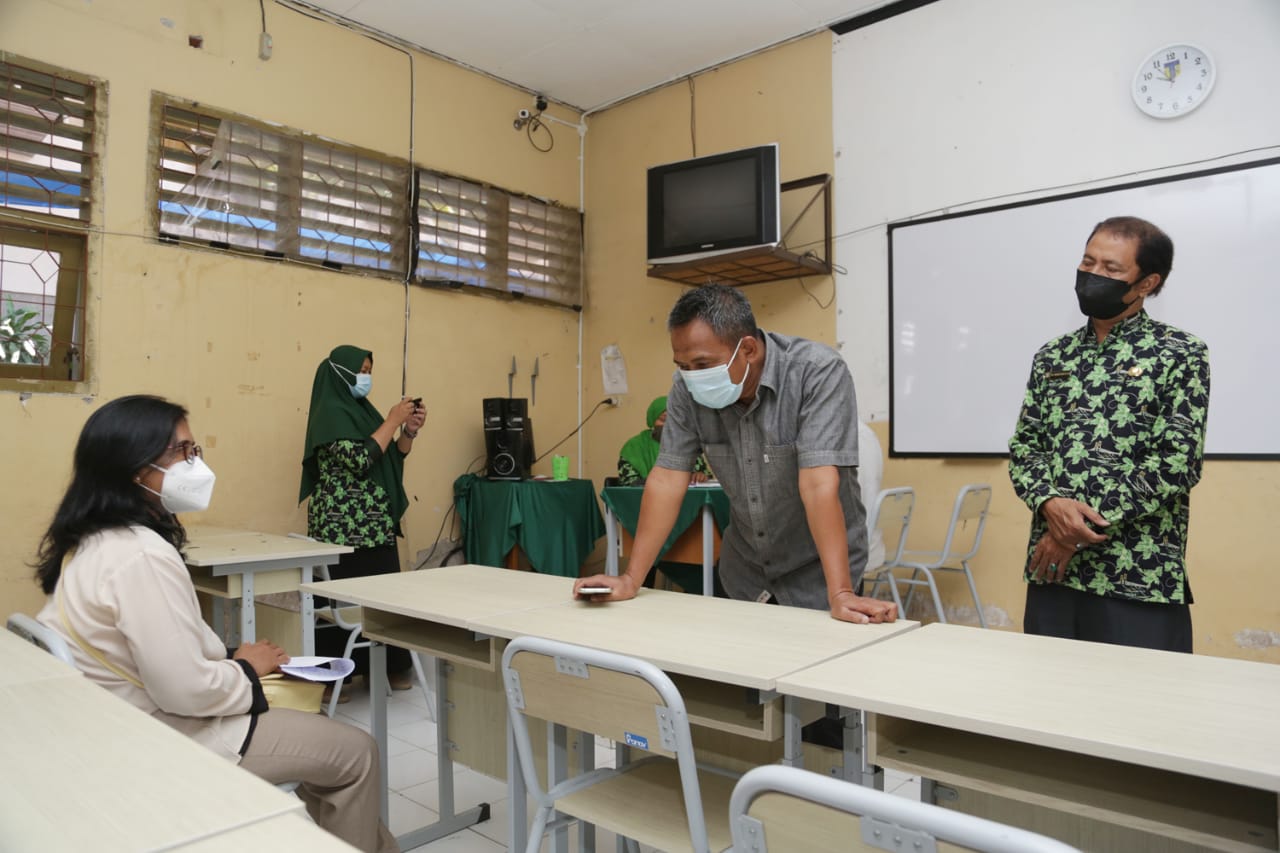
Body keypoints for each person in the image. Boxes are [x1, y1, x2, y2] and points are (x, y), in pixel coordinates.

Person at [33, 395, 397, 853]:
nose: (196, 464)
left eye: (195, 449)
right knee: (357, 753)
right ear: (136, 470)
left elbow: (160, 650)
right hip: (168, 733)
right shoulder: (141, 555)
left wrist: (232, 660)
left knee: (319, 734)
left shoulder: (92, 540)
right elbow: (184, 691)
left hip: (118, 722)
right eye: (181, 451)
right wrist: (246, 670)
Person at [576, 283, 897, 625]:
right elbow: (667, 479)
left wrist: (841, 593)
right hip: (746, 573)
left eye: (703, 364)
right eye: (683, 365)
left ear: (748, 349)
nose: (692, 377)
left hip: (820, 576)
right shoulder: (686, 388)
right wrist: (631, 579)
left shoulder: (816, 372)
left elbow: (819, 485)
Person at [1008, 216, 1209, 653]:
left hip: (1137, 577)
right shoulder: (1052, 356)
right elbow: (1026, 447)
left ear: (1146, 283)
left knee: (1142, 696)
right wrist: (1049, 502)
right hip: (1052, 576)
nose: (1093, 274)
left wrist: (1070, 531)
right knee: (1045, 691)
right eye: (1088, 262)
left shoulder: (1180, 353)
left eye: (1111, 268)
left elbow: (1176, 462)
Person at [300, 345, 425, 691]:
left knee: (384, 599)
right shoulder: (329, 412)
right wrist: (392, 421)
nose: (366, 377)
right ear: (340, 372)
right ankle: (333, 676)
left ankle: (387, 667)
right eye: (361, 370)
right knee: (339, 602)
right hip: (340, 526)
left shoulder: (363, 412)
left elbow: (389, 458)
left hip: (375, 524)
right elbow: (359, 459)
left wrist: (408, 431)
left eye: (369, 370)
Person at [616, 395, 711, 486]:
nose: (669, 426)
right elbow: (629, 483)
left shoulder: (687, 445)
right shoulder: (634, 447)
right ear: (652, 420)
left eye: (674, 421)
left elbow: (706, 477)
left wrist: (700, 476)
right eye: (663, 420)